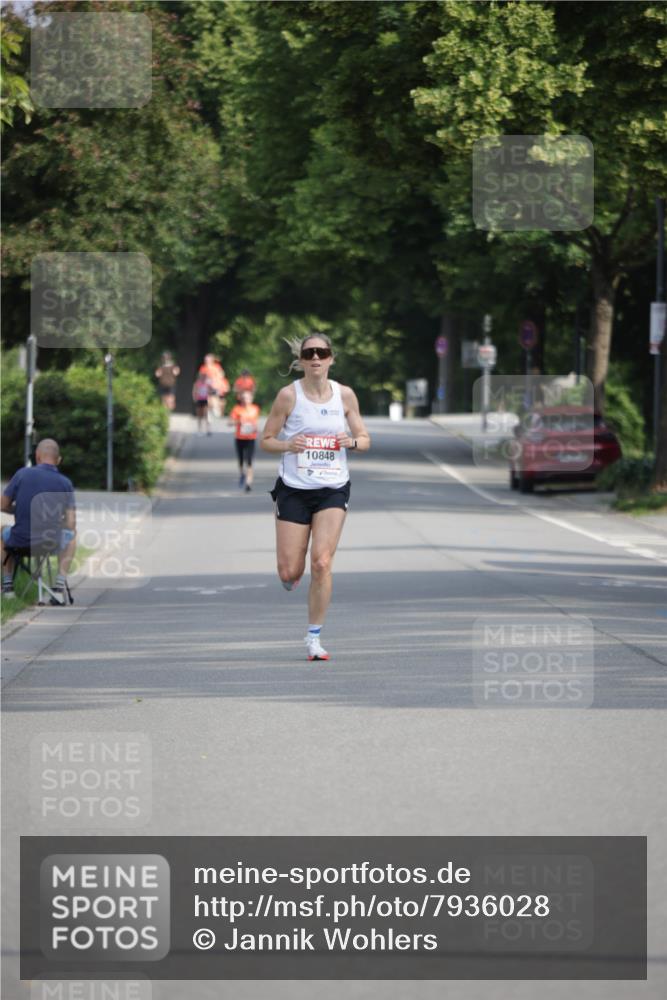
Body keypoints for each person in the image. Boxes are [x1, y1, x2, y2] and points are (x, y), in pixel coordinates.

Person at [261, 333, 370, 661]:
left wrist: (350, 442)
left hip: (332, 487)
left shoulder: (345, 395)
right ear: (301, 360)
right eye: (309, 353)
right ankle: (291, 575)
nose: (316, 358)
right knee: (289, 572)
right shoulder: (288, 396)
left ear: (331, 358)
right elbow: (266, 439)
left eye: (321, 353)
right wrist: (287, 445)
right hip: (294, 488)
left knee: (321, 562)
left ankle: (314, 638)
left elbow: (364, 439)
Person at [1, 439, 76, 602]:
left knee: (2, 531)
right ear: (58, 460)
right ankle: (58, 588)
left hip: (19, 541)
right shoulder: (66, 483)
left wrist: (20, 510)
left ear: (37, 456)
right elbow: (71, 524)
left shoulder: (21, 474)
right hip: (50, 543)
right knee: (72, 536)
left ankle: (8, 587)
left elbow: (3, 505)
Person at [228, 389, 261, 492]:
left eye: (248, 398)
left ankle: (248, 482)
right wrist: (238, 422)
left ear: (251, 398)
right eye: (244, 398)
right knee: (241, 460)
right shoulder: (237, 409)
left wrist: (255, 428)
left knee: (249, 460)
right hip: (240, 438)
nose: (246, 400)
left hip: (251, 438)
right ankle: (242, 474)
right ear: (241, 399)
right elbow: (229, 423)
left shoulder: (255, 409)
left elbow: (256, 422)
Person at [199, 354, 230, 418]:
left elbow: (221, 375)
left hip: (215, 385)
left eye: (208, 360)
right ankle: (210, 411)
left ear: (212, 360)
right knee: (207, 399)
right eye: (206, 360)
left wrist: (219, 383)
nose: (206, 361)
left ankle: (215, 409)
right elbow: (201, 376)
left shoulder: (216, 366)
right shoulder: (203, 367)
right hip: (206, 385)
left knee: (215, 397)